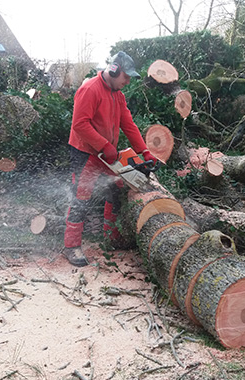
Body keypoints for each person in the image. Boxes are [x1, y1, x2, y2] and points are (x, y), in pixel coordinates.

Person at [63, 51, 158, 267]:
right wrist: (104, 145)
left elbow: (129, 125)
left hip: (106, 155)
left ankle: (111, 235)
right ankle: (71, 246)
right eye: (125, 77)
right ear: (114, 69)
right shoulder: (90, 89)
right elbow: (80, 124)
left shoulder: (118, 95)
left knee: (116, 189)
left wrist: (144, 152)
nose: (127, 81)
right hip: (85, 153)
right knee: (81, 197)